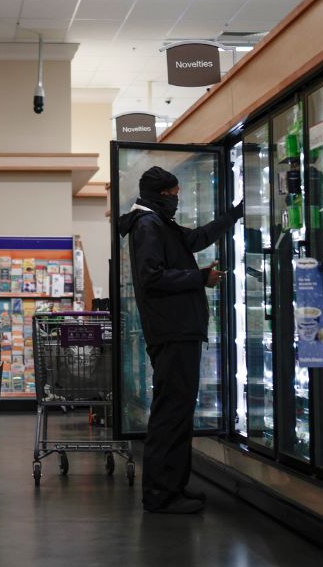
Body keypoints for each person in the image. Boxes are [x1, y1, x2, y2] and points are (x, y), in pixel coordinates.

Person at [117, 166, 243, 514]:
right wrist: (200, 277)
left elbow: (196, 239)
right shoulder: (148, 226)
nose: (177, 199)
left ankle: (172, 488)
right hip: (172, 330)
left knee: (176, 411)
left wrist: (235, 214)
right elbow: (152, 277)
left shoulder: (157, 222)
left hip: (177, 330)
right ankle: (161, 494)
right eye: (173, 194)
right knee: (171, 413)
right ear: (160, 195)